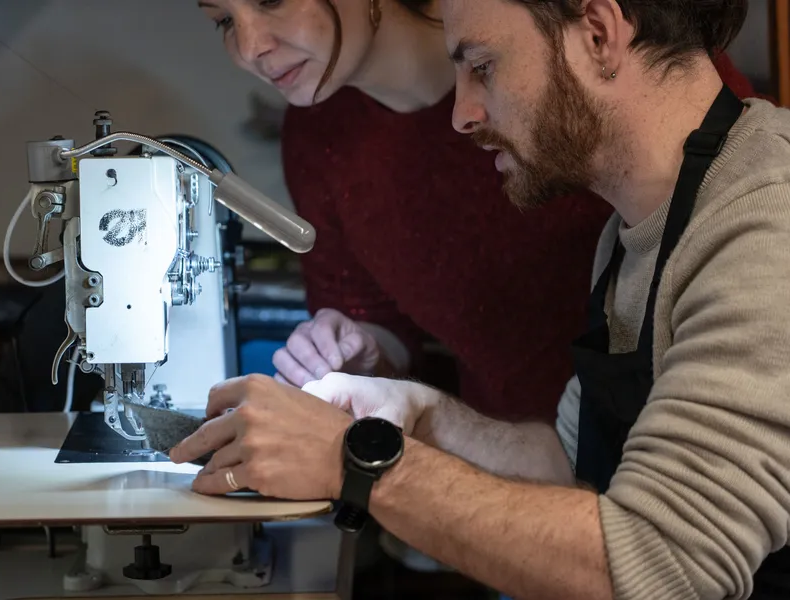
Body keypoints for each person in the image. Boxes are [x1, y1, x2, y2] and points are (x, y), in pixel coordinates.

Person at [171, 1, 790, 599]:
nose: (460, 115)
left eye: (483, 68)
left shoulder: (765, 222)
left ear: (599, 33)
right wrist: (411, 410)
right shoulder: (632, 234)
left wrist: (355, 462)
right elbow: (570, 458)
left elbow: (664, 566)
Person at [196, 0, 757, 424]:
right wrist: (359, 353)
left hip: (679, 441)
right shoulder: (318, 137)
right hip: (526, 458)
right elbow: (377, 320)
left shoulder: (723, 182)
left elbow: (731, 197)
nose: (248, 48)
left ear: (599, 35)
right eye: (222, 20)